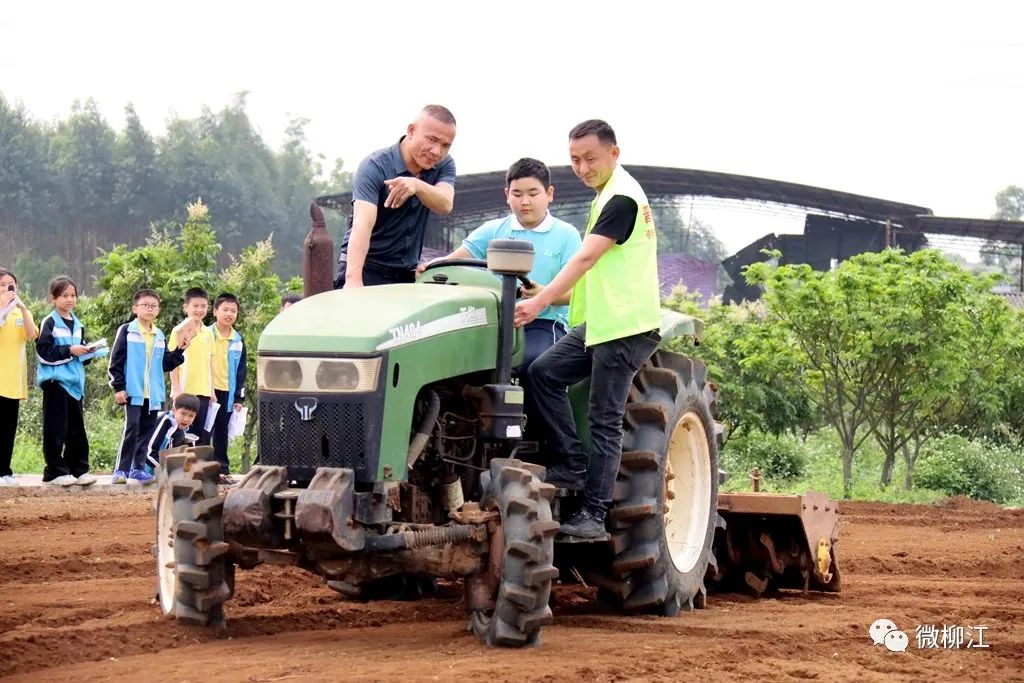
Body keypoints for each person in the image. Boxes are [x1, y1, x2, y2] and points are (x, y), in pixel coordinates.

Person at [514, 120, 662, 538]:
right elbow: (599, 276)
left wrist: (539, 303)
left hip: (624, 327)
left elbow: (585, 260)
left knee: (604, 419)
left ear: (614, 153)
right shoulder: (607, 195)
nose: (582, 168)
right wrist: (550, 295)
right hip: (600, 322)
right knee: (542, 372)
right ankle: (571, 465)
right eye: (575, 160)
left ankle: (593, 515)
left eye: (590, 158)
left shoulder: (622, 199)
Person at [421, 157, 582, 375]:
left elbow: (577, 292)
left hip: (544, 321)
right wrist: (429, 267)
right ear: (507, 195)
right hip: (494, 320)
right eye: (517, 194)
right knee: (456, 363)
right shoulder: (493, 230)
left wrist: (543, 294)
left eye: (533, 194)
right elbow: (453, 261)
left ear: (549, 194)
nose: (525, 202)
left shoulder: (567, 235)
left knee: (532, 364)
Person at [334, 105, 457, 289]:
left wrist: (417, 186)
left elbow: (445, 204)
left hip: (406, 276)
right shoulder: (374, 166)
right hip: (364, 269)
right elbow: (362, 224)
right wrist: (353, 280)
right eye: (432, 139)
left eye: (445, 145)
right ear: (411, 131)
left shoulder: (444, 165)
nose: (437, 151)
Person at [108, 289, 187, 486]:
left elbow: (164, 364)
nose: (150, 309)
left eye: (154, 306)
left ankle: (138, 468)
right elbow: (116, 361)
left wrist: (179, 350)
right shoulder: (127, 330)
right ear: (135, 308)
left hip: (153, 393)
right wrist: (118, 387)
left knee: (146, 431)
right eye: (145, 305)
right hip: (133, 391)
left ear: (158, 310)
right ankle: (121, 470)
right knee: (132, 428)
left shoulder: (159, 335)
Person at [36, 276, 107, 487]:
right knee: (56, 429)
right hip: (56, 383)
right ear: (53, 298)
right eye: (64, 295)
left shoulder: (78, 324)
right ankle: (55, 471)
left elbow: (77, 356)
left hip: (75, 384)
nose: (70, 299)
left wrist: (89, 352)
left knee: (77, 429)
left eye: (73, 295)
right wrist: (70, 350)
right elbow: (43, 353)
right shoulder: (49, 322)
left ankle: (79, 470)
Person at [0, 269, 39, 486]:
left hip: (13, 382)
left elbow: (32, 334)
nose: (7, 288)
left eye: (11, 284)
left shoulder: (20, 312)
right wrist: (3, 308)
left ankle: (4, 471)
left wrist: (22, 309)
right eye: (2, 284)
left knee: (8, 429)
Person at [169, 287, 215, 446]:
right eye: (195, 306)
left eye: (203, 306)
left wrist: (212, 390)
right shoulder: (178, 331)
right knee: (180, 435)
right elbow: (173, 363)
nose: (199, 310)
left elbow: (210, 363)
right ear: (186, 307)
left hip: (203, 391)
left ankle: (196, 463)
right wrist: (176, 390)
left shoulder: (209, 333)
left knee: (199, 435)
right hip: (185, 390)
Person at [209, 293, 247, 484]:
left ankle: (222, 469)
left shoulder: (238, 340)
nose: (229, 314)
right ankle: (202, 468)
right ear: (215, 311)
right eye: (225, 310)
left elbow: (241, 370)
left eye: (233, 311)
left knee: (222, 431)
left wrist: (239, 398)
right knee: (203, 430)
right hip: (206, 389)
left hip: (227, 391)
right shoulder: (206, 335)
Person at [141, 393, 201, 473]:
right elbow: (147, 453)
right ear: (174, 410)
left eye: (191, 416)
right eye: (182, 414)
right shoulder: (165, 422)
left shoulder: (186, 428)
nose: (186, 419)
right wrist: (167, 471)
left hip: (165, 468)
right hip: (146, 468)